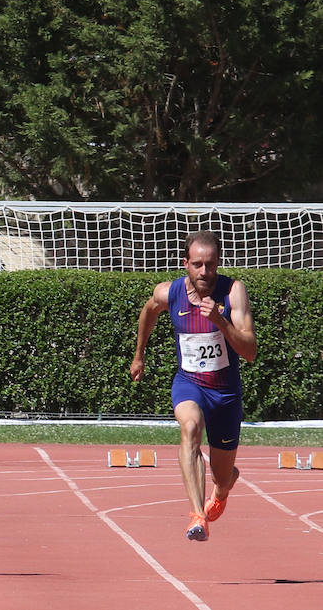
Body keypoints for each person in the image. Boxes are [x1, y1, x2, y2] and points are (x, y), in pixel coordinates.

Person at [130, 230, 257, 542]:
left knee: (222, 476)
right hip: (190, 384)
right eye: (197, 264)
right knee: (189, 428)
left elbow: (250, 351)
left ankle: (223, 487)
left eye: (210, 265)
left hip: (225, 394)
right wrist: (139, 355)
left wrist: (221, 321)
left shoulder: (233, 292)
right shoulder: (169, 292)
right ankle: (197, 516)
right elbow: (148, 311)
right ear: (185, 263)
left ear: (219, 263)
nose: (204, 272)